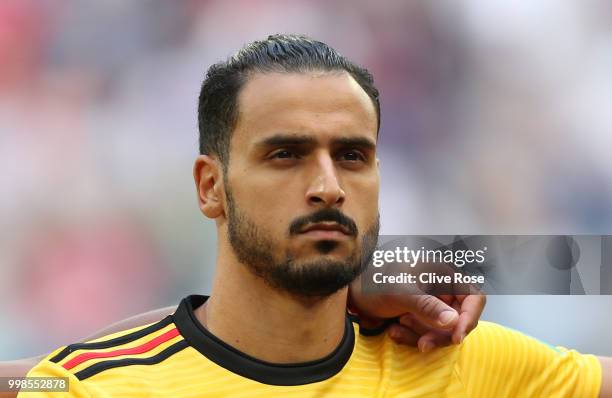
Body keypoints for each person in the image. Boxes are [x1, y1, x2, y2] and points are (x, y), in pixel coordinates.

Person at [19, 34, 610, 397]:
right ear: (210, 187)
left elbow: (580, 265)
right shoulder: (84, 387)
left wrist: (409, 257)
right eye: (286, 154)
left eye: (353, 156)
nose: (328, 187)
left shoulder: (453, 361)